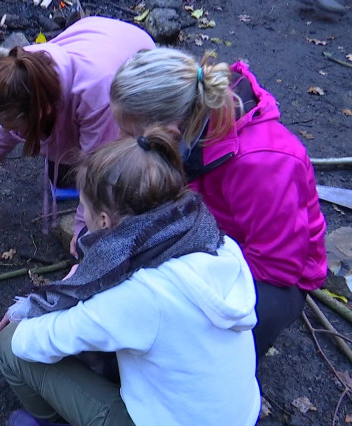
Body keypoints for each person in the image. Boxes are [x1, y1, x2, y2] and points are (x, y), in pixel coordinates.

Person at [0, 129, 260, 426]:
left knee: (10, 345)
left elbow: (39, 340)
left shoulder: (141, 296)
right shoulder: (214, 242)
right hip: (233, 422)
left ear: (105, 221)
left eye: (84, 207)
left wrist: (27, 315)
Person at [109, 47, 327, 359]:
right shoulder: (191, 122)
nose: (120, 138)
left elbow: (278, 266)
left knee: (202, 339)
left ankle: (228, 367)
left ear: (170, 132)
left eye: (129, 133)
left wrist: (191, 279)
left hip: (272, 277)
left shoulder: (263, 164)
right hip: (215, 233)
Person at [0, 16, 155, 247]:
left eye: (12, 127)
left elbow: (97, 170)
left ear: (40, 113)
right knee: (69, 164)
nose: (6, 132)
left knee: (121, 170)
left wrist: (83, 232)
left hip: (136, 59)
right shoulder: (23, 77)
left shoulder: (97, 95)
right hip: (97, 39)